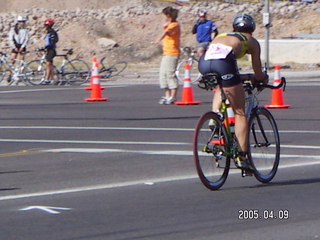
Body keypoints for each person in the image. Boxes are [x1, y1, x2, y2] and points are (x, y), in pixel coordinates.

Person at [198, 13, 268, 173]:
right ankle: (242, 156)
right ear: (252, 28)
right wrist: (261, 78)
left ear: (234, 27)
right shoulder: (251, 41)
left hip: (204, 62)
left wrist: (244, 76)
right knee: (240, 112)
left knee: (221, 84)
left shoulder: (223, 35)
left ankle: (215, 117)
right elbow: (258, 73)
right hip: (224, 62)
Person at [156, 6, 180, 105]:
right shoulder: (169, 24)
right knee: (163, 74)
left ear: (168, 15)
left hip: (172, 53)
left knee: (170, 74)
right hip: (166, 53)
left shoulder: (175, 25)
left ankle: (173, 96)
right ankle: (167, 95)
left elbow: (166, 32)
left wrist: (158, 39)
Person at [8, 16, 29, 82]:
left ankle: (19, 74)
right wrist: (14, 47)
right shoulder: (13, 29)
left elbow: (26, 39)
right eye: (21, 22)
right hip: (15, 46)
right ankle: (10, 74)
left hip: (22, 46)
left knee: (21, 61)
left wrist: (23, 46)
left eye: (23, 22)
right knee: (12, 61)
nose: (22, 23)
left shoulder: (25, 30)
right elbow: (11, 39)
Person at [43, 18, 59, 84]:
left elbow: (52, 41)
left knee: (48, 64)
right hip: (49, 49)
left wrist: (47, 47)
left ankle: (47, 79)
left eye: (46, 25)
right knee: (50, 65)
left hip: (51, 50)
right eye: (45, 25)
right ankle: (53, 78)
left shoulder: (52, 32)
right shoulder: (48, 32)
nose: (45, 27)